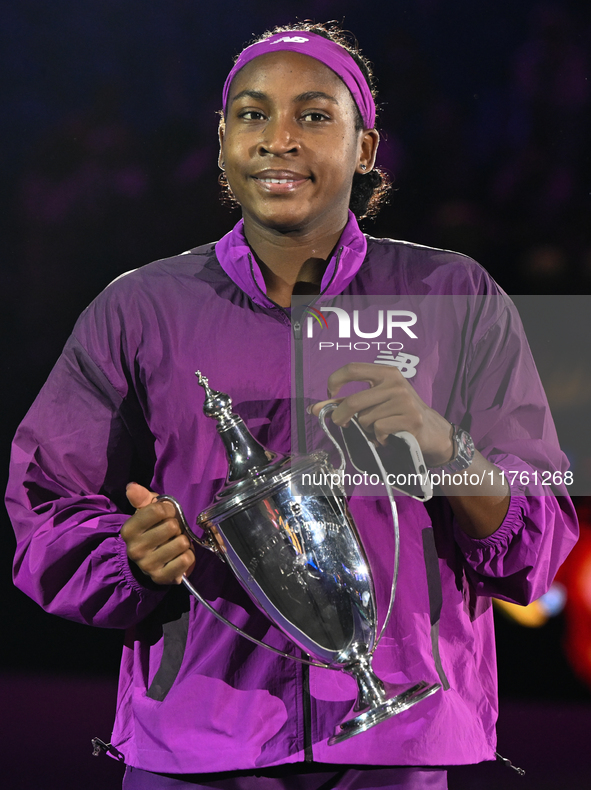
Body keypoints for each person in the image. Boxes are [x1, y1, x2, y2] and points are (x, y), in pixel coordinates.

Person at [6, 22, 578, 790]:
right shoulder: (140, 305)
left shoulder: (454, 292)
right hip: (200, 737)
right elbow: (40, 503)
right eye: (250, 113)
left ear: (365, 148)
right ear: (220, 141)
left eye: (312, 115)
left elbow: (540, 538)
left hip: (397, 745)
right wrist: (128, 554)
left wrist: (448, 448)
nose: (278, 138)